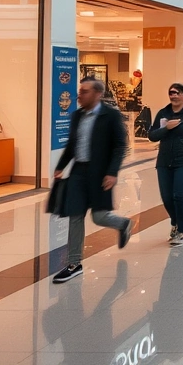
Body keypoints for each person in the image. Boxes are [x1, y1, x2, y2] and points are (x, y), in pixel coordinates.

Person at [52, 77, 132, 284]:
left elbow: (120, 146)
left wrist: (112, 172)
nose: (79, 95)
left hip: (101, 173)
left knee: (99, 217)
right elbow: (72, 144)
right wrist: (61, 166)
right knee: (75, 215)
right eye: (80, 91)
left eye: (84, 92)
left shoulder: (111, 116)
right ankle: (74, 263)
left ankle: (123, 224)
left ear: (97, 94)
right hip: (79, 172)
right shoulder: (77, 115)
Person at [147, 83, 183, 247]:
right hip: (164, 160)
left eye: (176, 93)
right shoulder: (162, 113)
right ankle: (175, 221)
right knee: (166, 197)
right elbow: (152, 136)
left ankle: (182, 231)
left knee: (179, 194)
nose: (173, 95)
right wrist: (166, 128)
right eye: (170, 93)